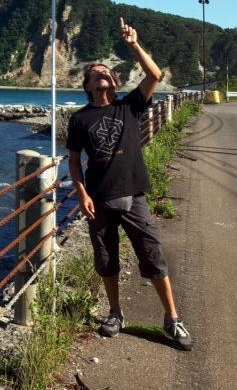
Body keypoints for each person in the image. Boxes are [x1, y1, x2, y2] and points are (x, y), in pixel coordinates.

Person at [66, 18, 193, 351]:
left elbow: (155, 75)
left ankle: (172, 319)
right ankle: (116, 313)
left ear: (114, 80)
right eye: (95, 72)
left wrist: (133, 44)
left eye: (106, 71)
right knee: (106, 260)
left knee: (152, 257)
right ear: (87, 84)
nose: (101, 73)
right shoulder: (79, 118)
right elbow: (74, 161)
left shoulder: (129, 107)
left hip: (133, 196)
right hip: (99, 200)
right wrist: (81, 194)